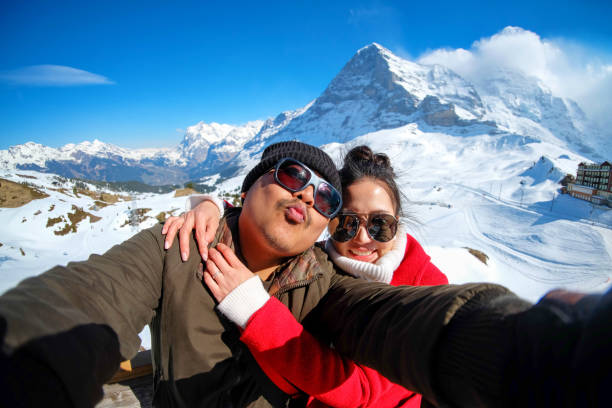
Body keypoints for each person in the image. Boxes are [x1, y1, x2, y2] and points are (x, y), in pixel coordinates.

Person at [0, 141, 609, 408]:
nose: (309, 198)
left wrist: (536, 347)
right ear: (250, 186)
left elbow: (404, 325)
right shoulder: (179, 246)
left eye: (324, 199)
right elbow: (87, 298)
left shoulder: (324, 283)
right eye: (292, 175)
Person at [164, 145, 449, 407]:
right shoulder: (319, 267)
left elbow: (362, 390)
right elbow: (266, 227)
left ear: (398, 223)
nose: (362, 238)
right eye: (347, 224)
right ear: (328, 221)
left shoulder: (426, 288)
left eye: (380, 224)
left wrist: (255, 311)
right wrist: (211, 208)